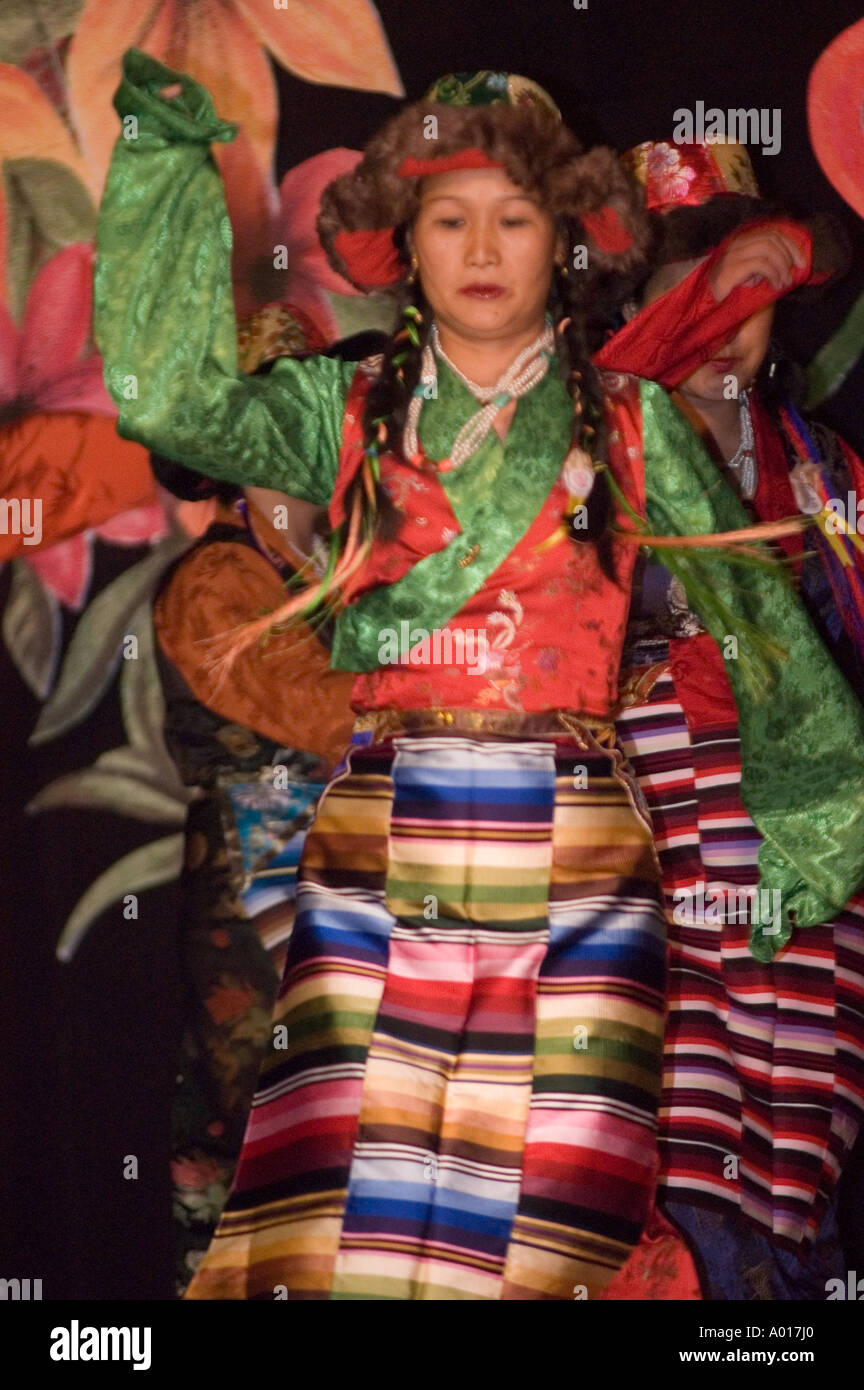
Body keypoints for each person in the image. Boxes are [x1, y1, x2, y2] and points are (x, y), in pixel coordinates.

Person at [94, 54, 864, 1300]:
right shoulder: (340, 410)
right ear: (406, 240)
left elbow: (765, 634)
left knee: (555, 1218)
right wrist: (161, 169)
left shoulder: (630, 421)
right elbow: (168, 397)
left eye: (516, 216)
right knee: (353, 1216)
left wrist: (810, 839)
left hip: (578, 856)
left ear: (566, 237)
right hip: (381, 844)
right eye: (451, 217)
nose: (484, 246)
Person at [596, 138, 864, 1297]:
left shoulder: (825, 468)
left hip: (807, 840)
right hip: (658, 823)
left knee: (796, 1125)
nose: (720, 327)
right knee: (673, 1114)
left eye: (751, 301)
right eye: (693, 301)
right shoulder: (596, 453)